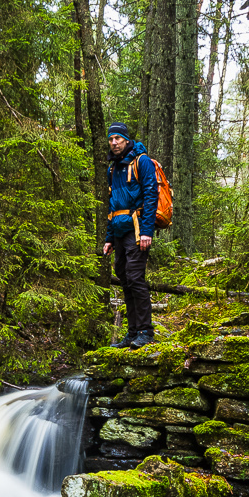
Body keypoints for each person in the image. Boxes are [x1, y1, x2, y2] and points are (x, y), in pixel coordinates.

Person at [101, 122, 158, 347]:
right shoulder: (112, 168)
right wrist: (108, 238)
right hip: (118, 232)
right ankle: (133, 332)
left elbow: (151, 196)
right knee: (125, 280)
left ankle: (146, 331)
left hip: (136, 230)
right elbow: (111, 205)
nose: (114, 143)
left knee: (135, 278)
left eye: (118, 138)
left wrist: (146, 232)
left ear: (126, 139)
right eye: (111, 139)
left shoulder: (141, 162)